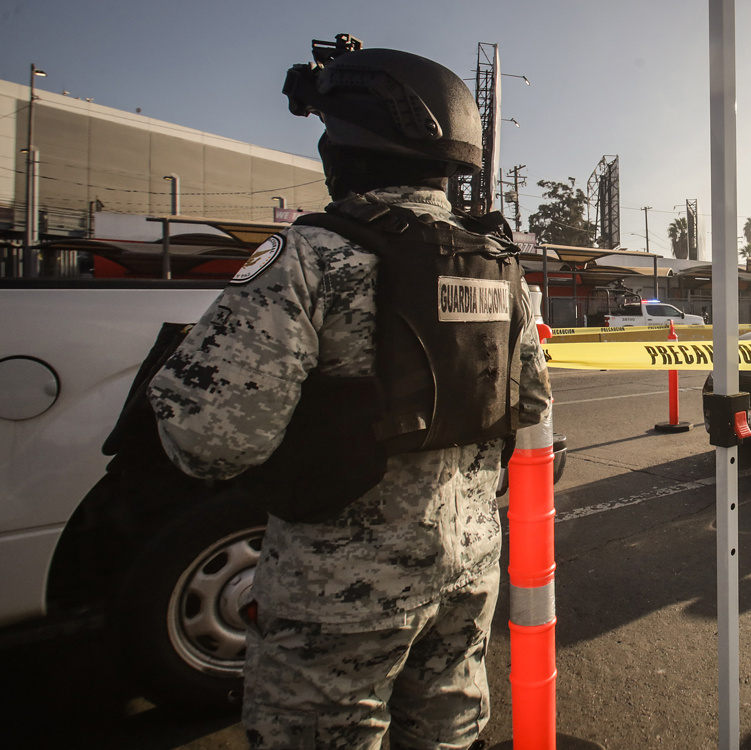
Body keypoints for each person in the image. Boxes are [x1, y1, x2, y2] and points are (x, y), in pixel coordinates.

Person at [148, 34, 552, 750]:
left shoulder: (314, 254)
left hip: (337, 590)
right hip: (467, 570)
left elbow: (210, 440)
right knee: (446, 735)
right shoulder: (501, 268)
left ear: (346, 149)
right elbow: (531, 409)